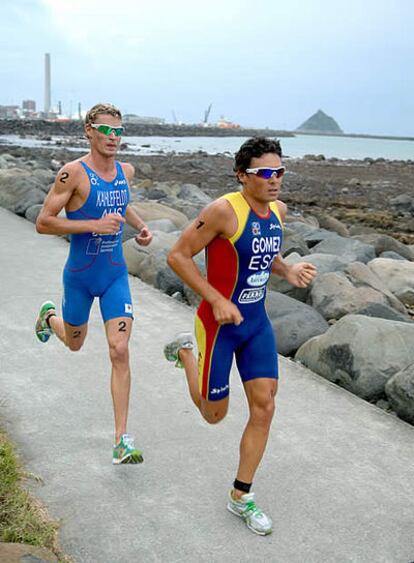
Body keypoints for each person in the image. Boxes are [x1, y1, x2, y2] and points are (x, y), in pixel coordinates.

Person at [164, 137, 316, 535]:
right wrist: (215, 298)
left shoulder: (278, 211)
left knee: (264, 407)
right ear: (242, 176)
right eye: (265, 173)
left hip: (255, 324)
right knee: (214, 416)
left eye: (279, 172)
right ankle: (185, 352)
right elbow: (178, 255)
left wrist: (288, 271)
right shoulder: (222, 211)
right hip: (218, 327)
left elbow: (265, 254)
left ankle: (241, 495)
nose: (275, 179)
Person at [35, 102, 152, 464]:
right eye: (106, 130)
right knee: (74, 343)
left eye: (119, 131)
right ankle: (49, 317)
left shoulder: (124, 171)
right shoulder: (73, 174)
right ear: (89, 131)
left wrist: (140, 226)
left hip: (115, 274)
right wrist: (92, 225)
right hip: (80, 277)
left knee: (119, 350)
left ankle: (121, 439)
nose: (113, 138)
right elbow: (43, 221)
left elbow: (122, 203)